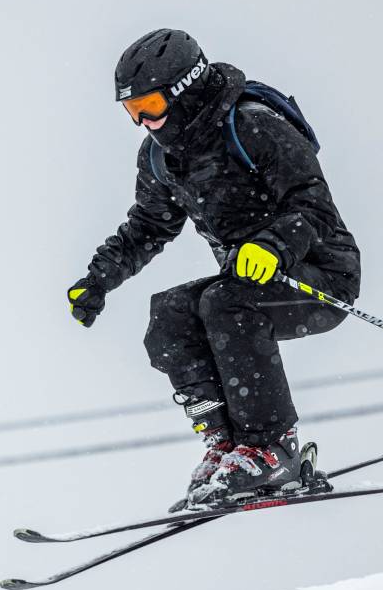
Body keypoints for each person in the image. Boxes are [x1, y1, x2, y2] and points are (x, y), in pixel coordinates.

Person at [66, 29, 361, 507]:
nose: (143, 122)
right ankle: (228, 444)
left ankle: (270, 446)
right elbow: (148, 227)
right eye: (132, 112)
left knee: (225, 304)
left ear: (184, 90)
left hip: (321, 275)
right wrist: (98, 280)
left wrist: (272, 246)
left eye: (150, 106)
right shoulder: (163, 156)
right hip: (245, 282)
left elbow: (314, 206)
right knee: (170, 317)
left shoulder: (253, 126)